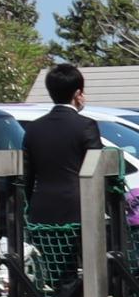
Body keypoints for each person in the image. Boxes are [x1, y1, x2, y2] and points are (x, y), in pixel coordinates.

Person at [21, 63, 102, 227]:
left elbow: (27, 175)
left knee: (49, 253)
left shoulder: (33, 128)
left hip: (41, 210)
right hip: (79, 210)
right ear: (78, 93)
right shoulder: (86, 125)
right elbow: (98, 168)